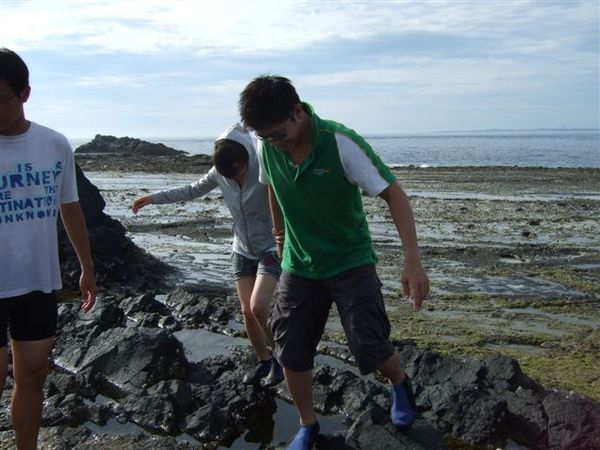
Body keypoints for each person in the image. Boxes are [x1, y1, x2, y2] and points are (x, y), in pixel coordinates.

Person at [238, 75, 430, 449]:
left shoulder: (340, 142)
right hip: (298, 265)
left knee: (369, 345)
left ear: (297, 112)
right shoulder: (267, 145)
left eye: (278, 134)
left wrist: (413, 262)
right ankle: (307, 425)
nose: (274, 142)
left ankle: (399, 383)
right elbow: (272, 186)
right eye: (266, 137)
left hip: (350, 261)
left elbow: (394, 194)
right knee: (291, 351)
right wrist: (279, 233)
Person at [132, 123, 284, 388]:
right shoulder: (220, 172)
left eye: (239, 168)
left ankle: (281, 360)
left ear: (247, 155)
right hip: (242, 249)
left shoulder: (263, 165)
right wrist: (153, 198)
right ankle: (264, 360)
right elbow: (192, 189)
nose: (237, 174)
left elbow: (288, 193)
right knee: (247, 312)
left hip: (270, 248)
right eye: (230, 172)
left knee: (259, 307)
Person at [0, 48, 97, 450]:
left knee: (33, 376)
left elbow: (69, 208)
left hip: (38, 281)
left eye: (1, 99)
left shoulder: (54, 144)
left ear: (25, 93)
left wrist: (87, 267)